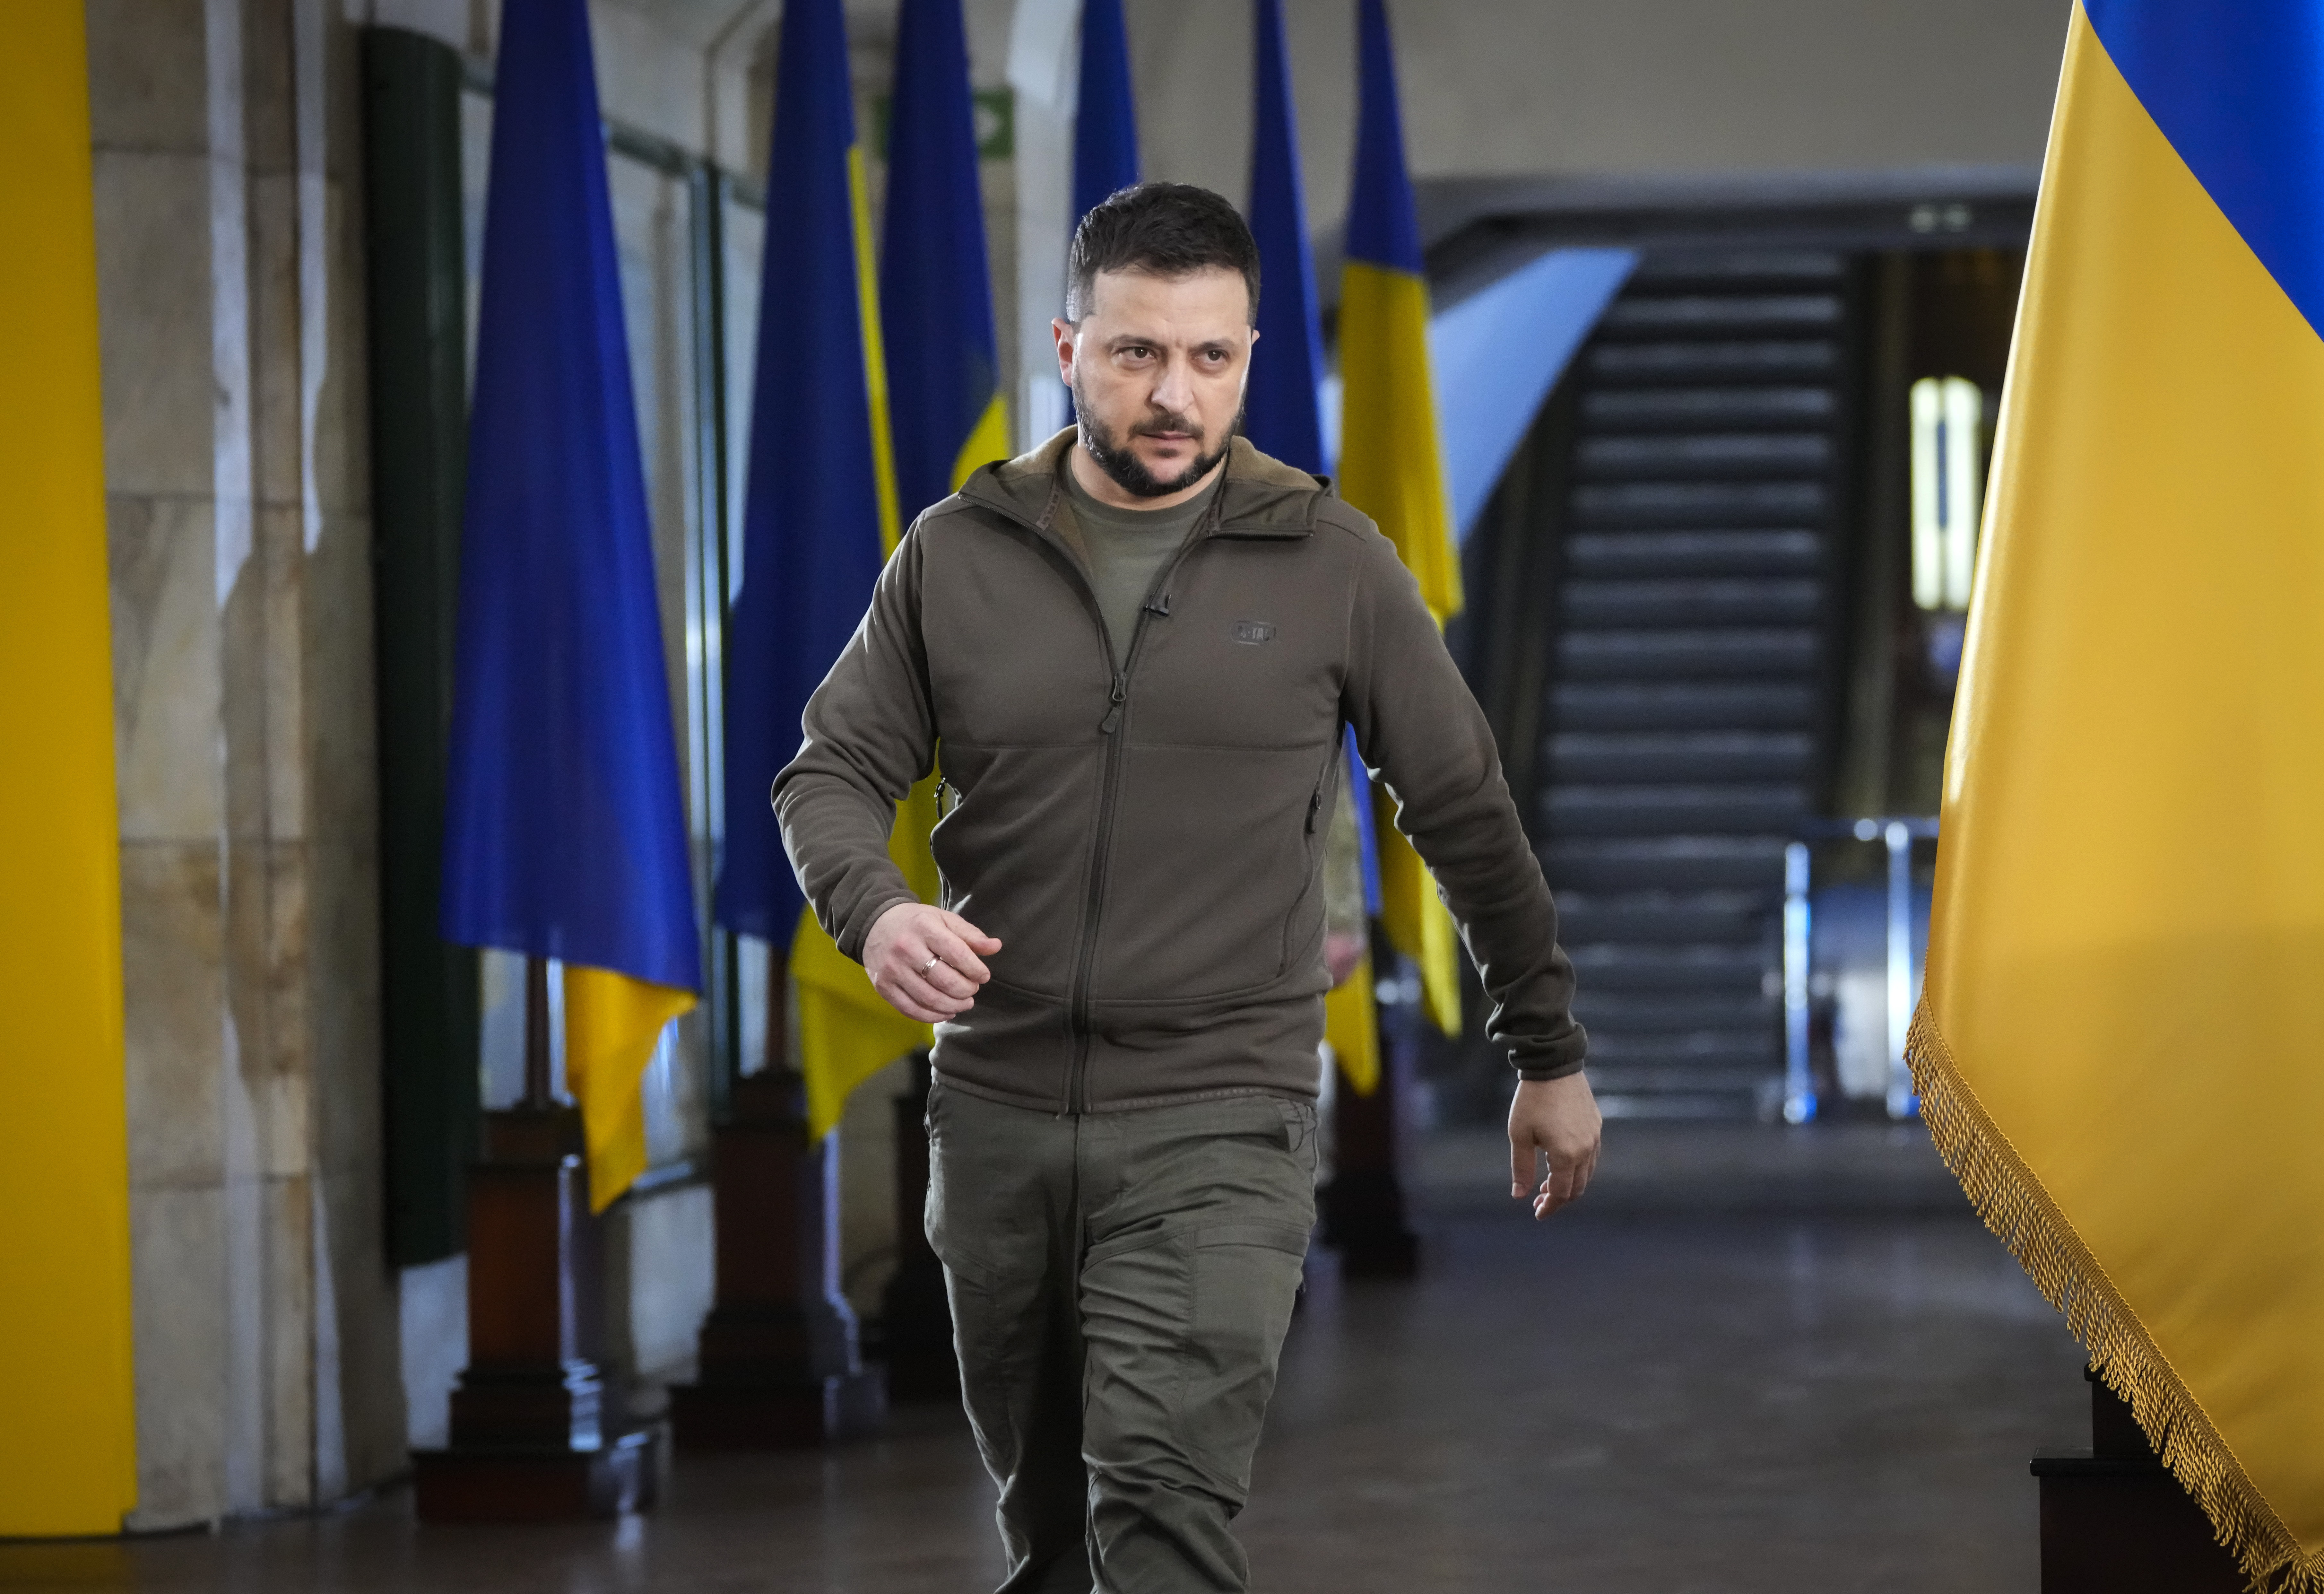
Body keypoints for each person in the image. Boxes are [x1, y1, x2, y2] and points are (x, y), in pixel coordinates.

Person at [774, 181, 1599, 1594]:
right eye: (1137, 353)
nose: (1174, 395)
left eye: (1210, 358)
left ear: (1249, 360)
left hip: (1224, 1113)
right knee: (1045, 1541)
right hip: (996, 1121)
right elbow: (827, 773)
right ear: (1067, 347)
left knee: (1159, 1513)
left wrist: (1548, 1052)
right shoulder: (954, 555)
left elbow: (1462, 810)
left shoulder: (1334, 563)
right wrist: (877, 905)